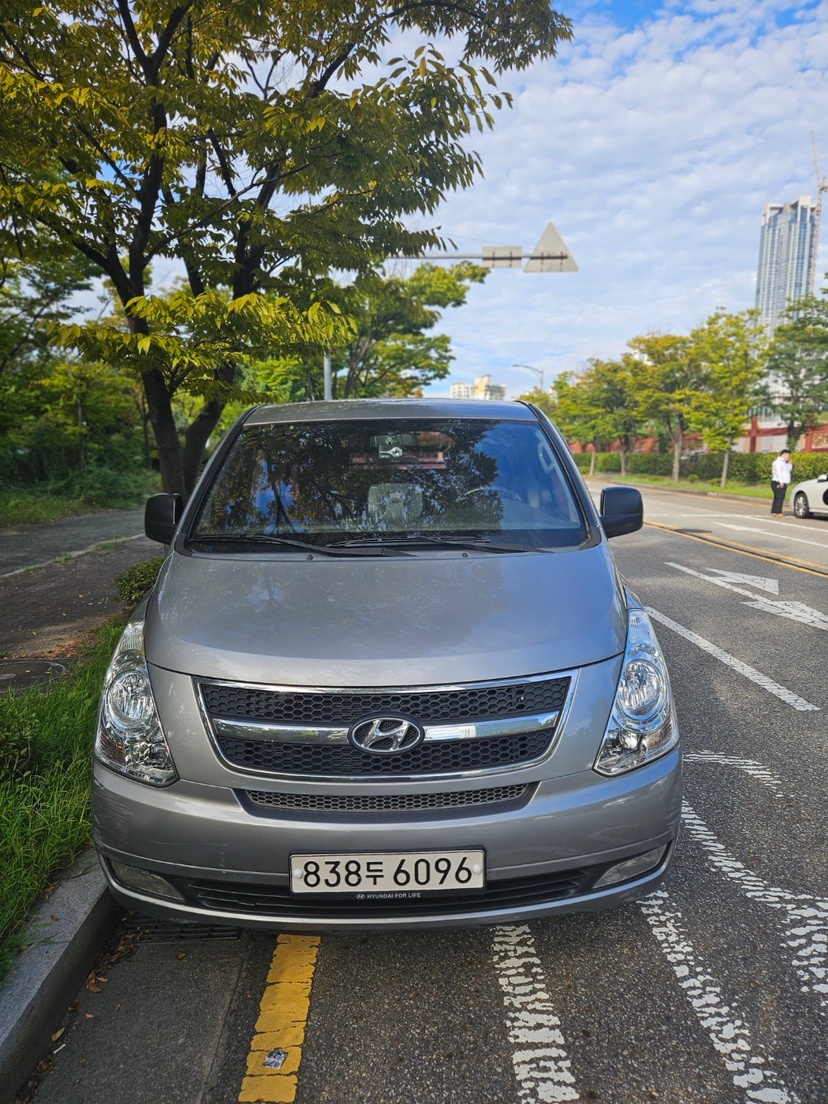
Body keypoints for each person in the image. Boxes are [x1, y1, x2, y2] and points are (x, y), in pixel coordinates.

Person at [770, 447, 793, 516]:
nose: (788, 457)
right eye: (788, 455)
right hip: (778, 482)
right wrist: (781, 482)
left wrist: (790, 464)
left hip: (782, 482)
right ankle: (778, 512)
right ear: (784, 454)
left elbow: (787, 471)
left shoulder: (784, 463)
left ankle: (774, 511)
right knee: (780, 498)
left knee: (777, 497)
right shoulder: (778, 462)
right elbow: (778, 472)